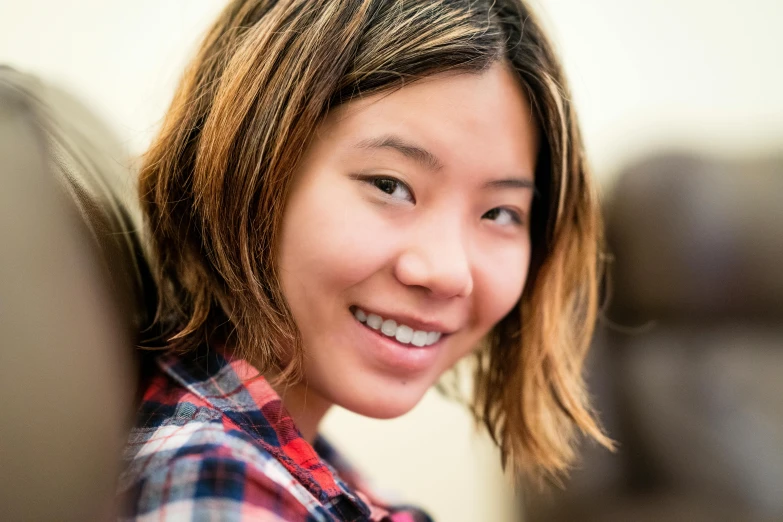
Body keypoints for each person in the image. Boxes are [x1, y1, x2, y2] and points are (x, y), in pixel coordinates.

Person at [117, 0, 613, 519]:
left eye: (499, 213)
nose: (447, 271)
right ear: (246, 163)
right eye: (390, 186)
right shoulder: (221, 488)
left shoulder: (297, 467)